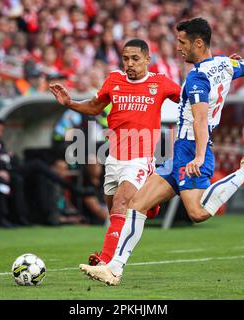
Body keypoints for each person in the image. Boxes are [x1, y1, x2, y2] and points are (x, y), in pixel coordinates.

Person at [79, 17, 244, 286]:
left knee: (197, 214)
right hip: (180, 151)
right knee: (137, 205)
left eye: (182, 42)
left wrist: (199, 157)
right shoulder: (225, 64)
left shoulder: (197, 78)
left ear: (199, 43)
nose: (178, 48)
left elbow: (200, 120)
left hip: (191, 149)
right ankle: (114, 269)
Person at [50, 39, 181, 266]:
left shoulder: (160, 83)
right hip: (114, 158)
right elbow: (94, 106)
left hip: (140, 158)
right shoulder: (114, 80)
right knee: (115, 213)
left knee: (121, 203)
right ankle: (150, 205)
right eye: (126, 58)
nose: (129, 63)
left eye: (135, 59)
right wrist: (69, 102)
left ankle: (105, 261)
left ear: (147, 60)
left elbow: (192, 99)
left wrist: (223, 73)